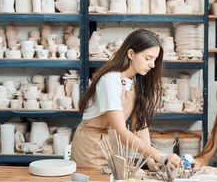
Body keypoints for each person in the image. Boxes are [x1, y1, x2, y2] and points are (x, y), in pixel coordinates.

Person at [71, 28, 181, 171]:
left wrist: (150, 160)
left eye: (155, 60)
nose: (152, 65)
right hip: (90, 149)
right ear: (131, 54)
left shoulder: (136, 81)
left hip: (111, 147)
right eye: (148, 58)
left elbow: (140, 126)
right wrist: (158, 154)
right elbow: (121, 131)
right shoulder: (110, 81)